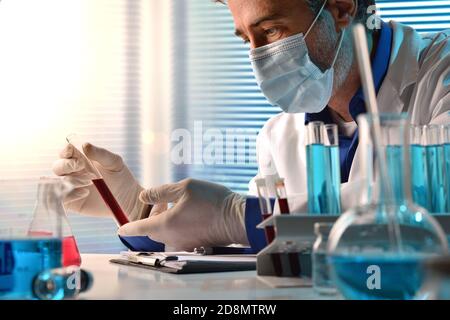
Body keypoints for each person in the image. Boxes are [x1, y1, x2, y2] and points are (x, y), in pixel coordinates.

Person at [53, 0, 450, 252]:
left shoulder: (440, 76)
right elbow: (264, 253)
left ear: (341, 8)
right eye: (246, 39)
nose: (259, 58)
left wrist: (238, 217)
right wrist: (138, 210)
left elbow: (429, 207)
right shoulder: (279, 135)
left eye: (272, 30)